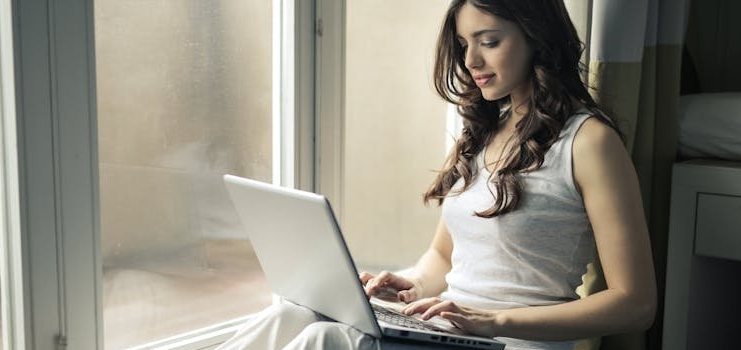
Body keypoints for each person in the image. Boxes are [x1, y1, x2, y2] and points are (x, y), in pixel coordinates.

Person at [218, 0, 657, 349]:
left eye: (488, 41)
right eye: (465, 43)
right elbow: (444, 258)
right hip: (453, 331)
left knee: (326, 339)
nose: (471, 60)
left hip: (512, 342)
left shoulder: (590, 142)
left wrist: (494, 320)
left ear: (536, 37)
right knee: (289, 315)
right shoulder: (483, 134)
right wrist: (409, 286)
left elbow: (635, 304)